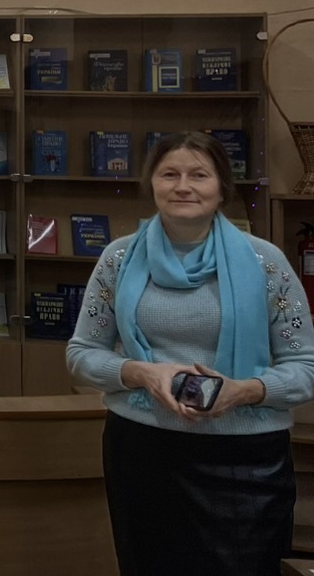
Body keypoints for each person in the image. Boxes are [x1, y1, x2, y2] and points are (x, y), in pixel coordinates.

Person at [66, 131, 314, 576]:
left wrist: (245, 390)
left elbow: (306, 367)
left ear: (222, 188)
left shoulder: (267, 263)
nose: (183, 186)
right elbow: (82, 354)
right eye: (170, 174)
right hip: (142, 453)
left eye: (199, 175)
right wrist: (142, 373)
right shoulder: (117, 259)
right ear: (152, 184)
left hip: (245, 461)